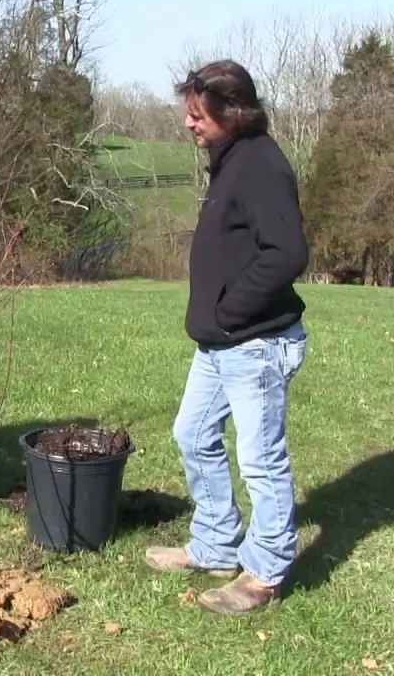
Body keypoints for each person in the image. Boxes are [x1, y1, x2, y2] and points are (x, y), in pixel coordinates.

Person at [144, 60, 310, 615]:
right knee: (192, 434)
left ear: (231, 114)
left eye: (197, 116)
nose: (188, 125)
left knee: (261, 461)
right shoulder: (230, 162)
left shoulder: (260, 165)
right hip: (222, 343)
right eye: (187, 115)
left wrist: (231, 310)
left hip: (255, 342)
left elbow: (286, 254)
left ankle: (264, 573)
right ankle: (216, 542)